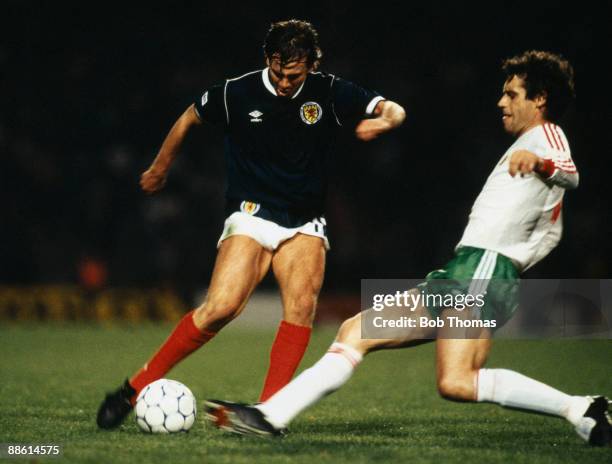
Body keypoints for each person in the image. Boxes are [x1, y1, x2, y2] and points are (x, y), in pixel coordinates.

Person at [204, 50, 612, 447]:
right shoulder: (526, 142)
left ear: (540, 99)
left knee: (457, 381)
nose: (501, 102)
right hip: (462, 273)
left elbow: (570, 175)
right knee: (356, 331)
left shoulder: (547, 135)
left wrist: (540, 164)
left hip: (483, 272)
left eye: (512, 94)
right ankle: (269, 415)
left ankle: (580, 408)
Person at [96, 19, 406, 429]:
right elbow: (190, 116)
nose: (282, 82)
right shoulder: (236, 91)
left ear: (313, 64)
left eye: (293, 75)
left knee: (300, 308)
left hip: (304, 221)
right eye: (277, 71)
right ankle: (134, 389)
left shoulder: (330, 91)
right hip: (251, 212)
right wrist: (160, 165)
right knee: (220, 308)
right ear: (268, 60)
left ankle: (267, 412)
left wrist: (385, 121)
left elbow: (395, 109)